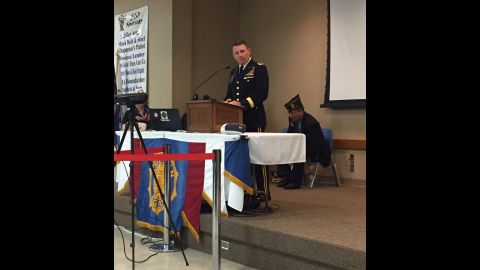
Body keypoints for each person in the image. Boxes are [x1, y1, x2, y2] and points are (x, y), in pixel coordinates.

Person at [224, 39, 270, 195]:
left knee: (258, 158)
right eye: (236, 53)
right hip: (237, 121)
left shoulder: (258, 68)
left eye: (242, 51)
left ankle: (264, 191)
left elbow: (262, 94)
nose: (240, 55)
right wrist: (228, 102)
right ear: (233, 55)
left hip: (254, 118)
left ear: (249, 51)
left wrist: (242, 103)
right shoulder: (233, 72)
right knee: (242, 158)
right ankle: (246, 191)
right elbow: (230, 94)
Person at [276, 94, 331, 189]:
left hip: (317, 150)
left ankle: (295, 181)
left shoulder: (311, 123)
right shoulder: (293, 120)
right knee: (283, 150)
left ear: (300, 111)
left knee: (298, 153)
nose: (290, 115)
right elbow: (290, 134)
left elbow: (315, 144)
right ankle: (286, 177)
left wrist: (313, 162)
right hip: (302, 146)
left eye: (292, 113)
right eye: (290, 113)